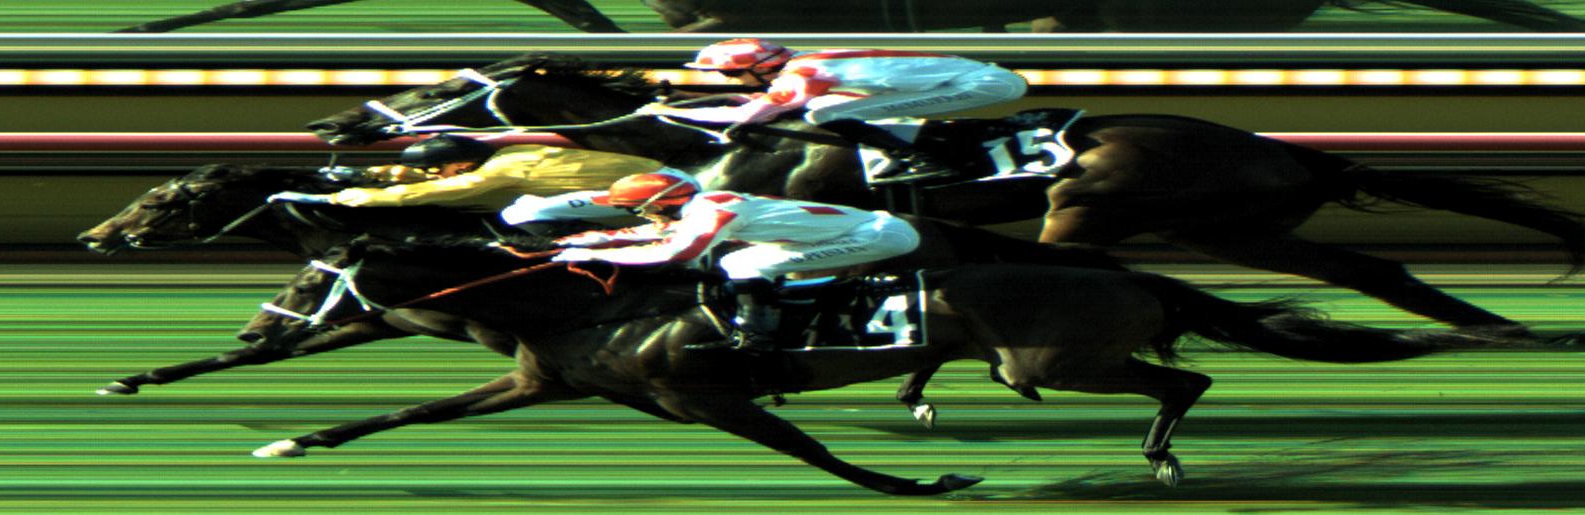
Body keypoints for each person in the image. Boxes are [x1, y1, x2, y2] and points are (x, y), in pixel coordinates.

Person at [511, 173, 930, 350]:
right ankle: (785, 308)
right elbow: (657, 234)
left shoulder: (712, 211)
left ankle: (756, 334)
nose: (639, 216)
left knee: (745, 266)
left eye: (639, 209)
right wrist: (583, 242)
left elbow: (678, 251)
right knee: (745, 261)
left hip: (878, 236)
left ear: (661, 202)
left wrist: (592, 253)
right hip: (857, 229)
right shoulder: (703, 204)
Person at [641, 38, 1030, 182]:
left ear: (760, 66)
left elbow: (755, 113)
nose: (730, 81)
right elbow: (757, 103)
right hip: (974, 77)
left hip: (984, 84)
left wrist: (669, 114)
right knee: (829, 107)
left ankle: (918, 158)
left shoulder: (803, 72)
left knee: (822, 115)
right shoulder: (805, 62)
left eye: (730, 74)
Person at [271, 135, 671, 212]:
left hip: (658, 195)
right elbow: (436, 179)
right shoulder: (509, 153)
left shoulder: (498, 171)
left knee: (524, 213)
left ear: (461, 164)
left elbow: (433, 192)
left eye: (435, 168)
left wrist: (335, 198)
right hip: (658, 177)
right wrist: (372, 174)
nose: (432, 175)